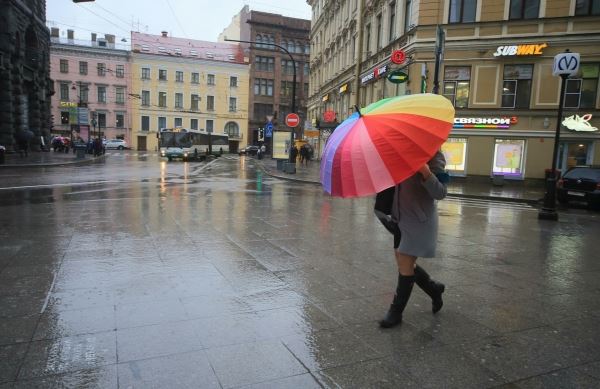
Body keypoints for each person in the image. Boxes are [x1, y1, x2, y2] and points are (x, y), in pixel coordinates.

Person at [379, 151, 448, 328]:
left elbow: (440, 193)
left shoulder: (434, 157)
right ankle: (434, 289)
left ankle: (395, 313)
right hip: (399, 220)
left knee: (405, 263)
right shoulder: (397, 155)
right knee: (403, 263)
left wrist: (426, 172)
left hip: (419, 221)